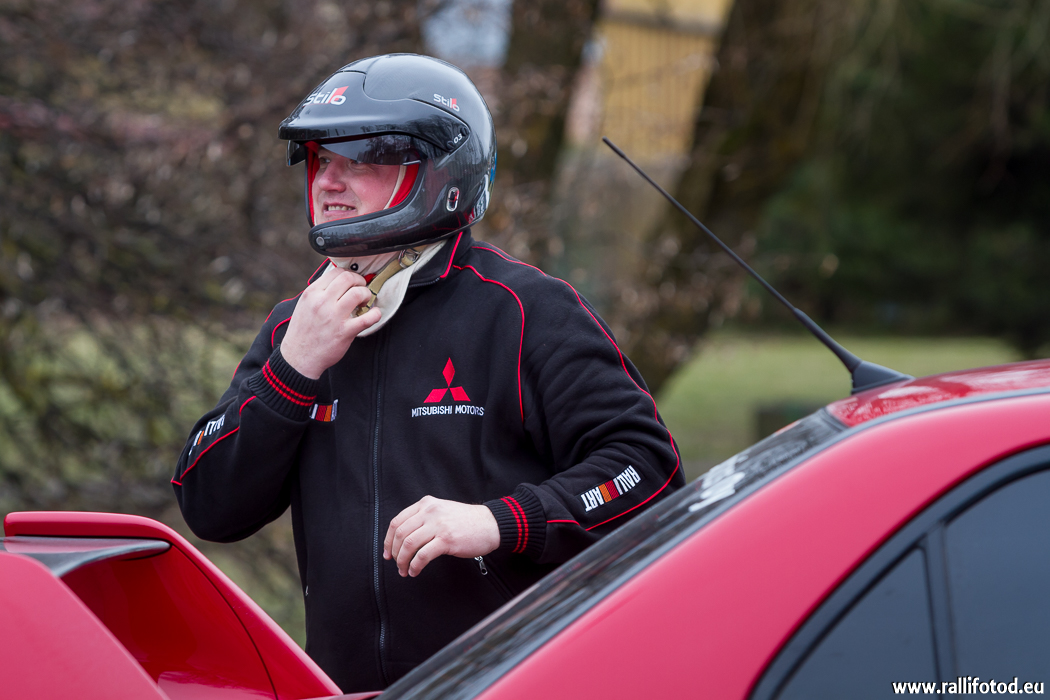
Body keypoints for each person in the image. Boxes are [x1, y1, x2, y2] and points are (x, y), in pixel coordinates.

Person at [173, 53, 683, 693]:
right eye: (321, 160)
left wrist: (502, 521)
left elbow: (648, 470)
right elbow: (209, 506)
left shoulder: (525, 311)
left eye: (361, 160)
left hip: (514, 683)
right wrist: (293, 370)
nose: (330, 181)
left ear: (442, 173)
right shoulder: (294, 328)